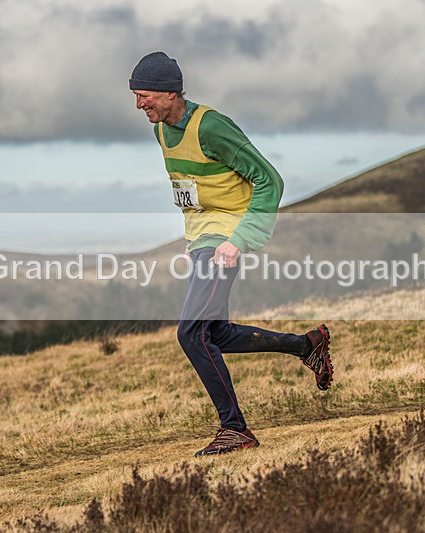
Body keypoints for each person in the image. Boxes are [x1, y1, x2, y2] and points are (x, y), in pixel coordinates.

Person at [129, 51, 333, 457]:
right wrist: (194, 240)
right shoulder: (162, 130)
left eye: (145, 95)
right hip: (204, 237)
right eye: (134, 96)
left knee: (190, 333)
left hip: (225, 237)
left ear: (171, 92)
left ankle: (234, 429)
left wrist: (237, 241)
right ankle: (305, 345)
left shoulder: (213, 127)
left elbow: (269, 179)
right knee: (214, 333)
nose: (139, 105)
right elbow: (195, 190)